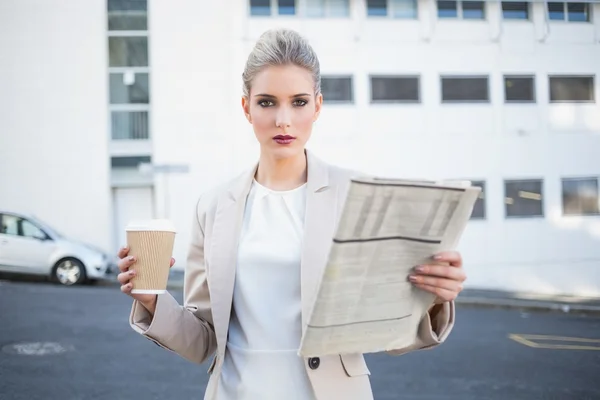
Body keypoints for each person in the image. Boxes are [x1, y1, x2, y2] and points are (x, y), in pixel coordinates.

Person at [116, 28, 467, 400]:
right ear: (246, 107)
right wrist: (153, 299)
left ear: (317, 106)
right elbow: (204, 339)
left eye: (298, 102)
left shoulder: (357, 194)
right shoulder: (214, 206)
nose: (283, 120)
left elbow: (391, 334)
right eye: (267, 102)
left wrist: (435, 296)